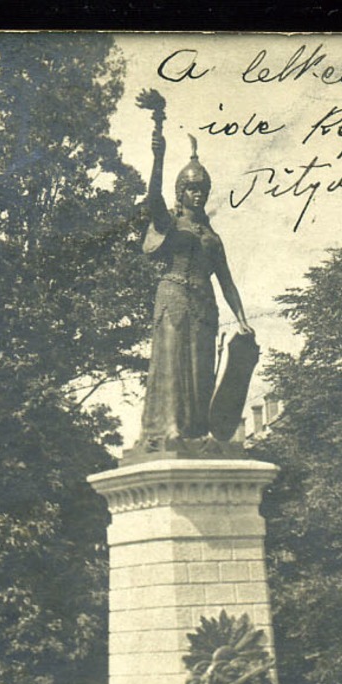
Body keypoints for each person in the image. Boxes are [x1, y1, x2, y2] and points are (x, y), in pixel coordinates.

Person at [138, 127, 253, 447]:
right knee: (174, 362)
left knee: (201, 368)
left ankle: (198, 431)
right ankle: (171, 428)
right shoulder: (170, 225)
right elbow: (152, 200)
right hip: (173, 296)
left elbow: (227, 281)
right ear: (181, 192)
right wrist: (158, 158)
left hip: (205, 305)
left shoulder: (212, 238)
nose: (197, 194)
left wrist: (242, 319)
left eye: (202, 188)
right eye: (191, 188)